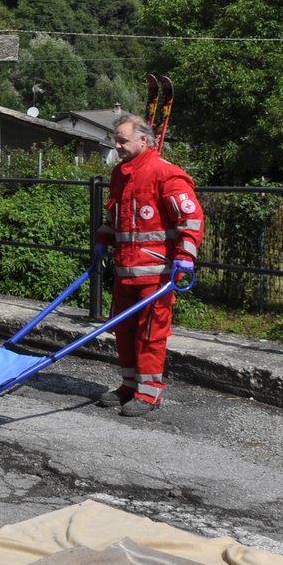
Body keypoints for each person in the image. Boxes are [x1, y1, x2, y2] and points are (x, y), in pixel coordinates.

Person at [92, 113, 203, 417]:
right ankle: (129, 385)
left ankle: (149, 392)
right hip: (126, 271)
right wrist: (104, 237)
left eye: (122, 140)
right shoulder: (120, 174)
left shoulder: (165, 174)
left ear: (143, 140)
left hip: (157, 275)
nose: (117, 146)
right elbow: (117, 217)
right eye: (116, 140)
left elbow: (190, 219)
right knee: (124, 330)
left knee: (151, 333)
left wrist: (185, 256)